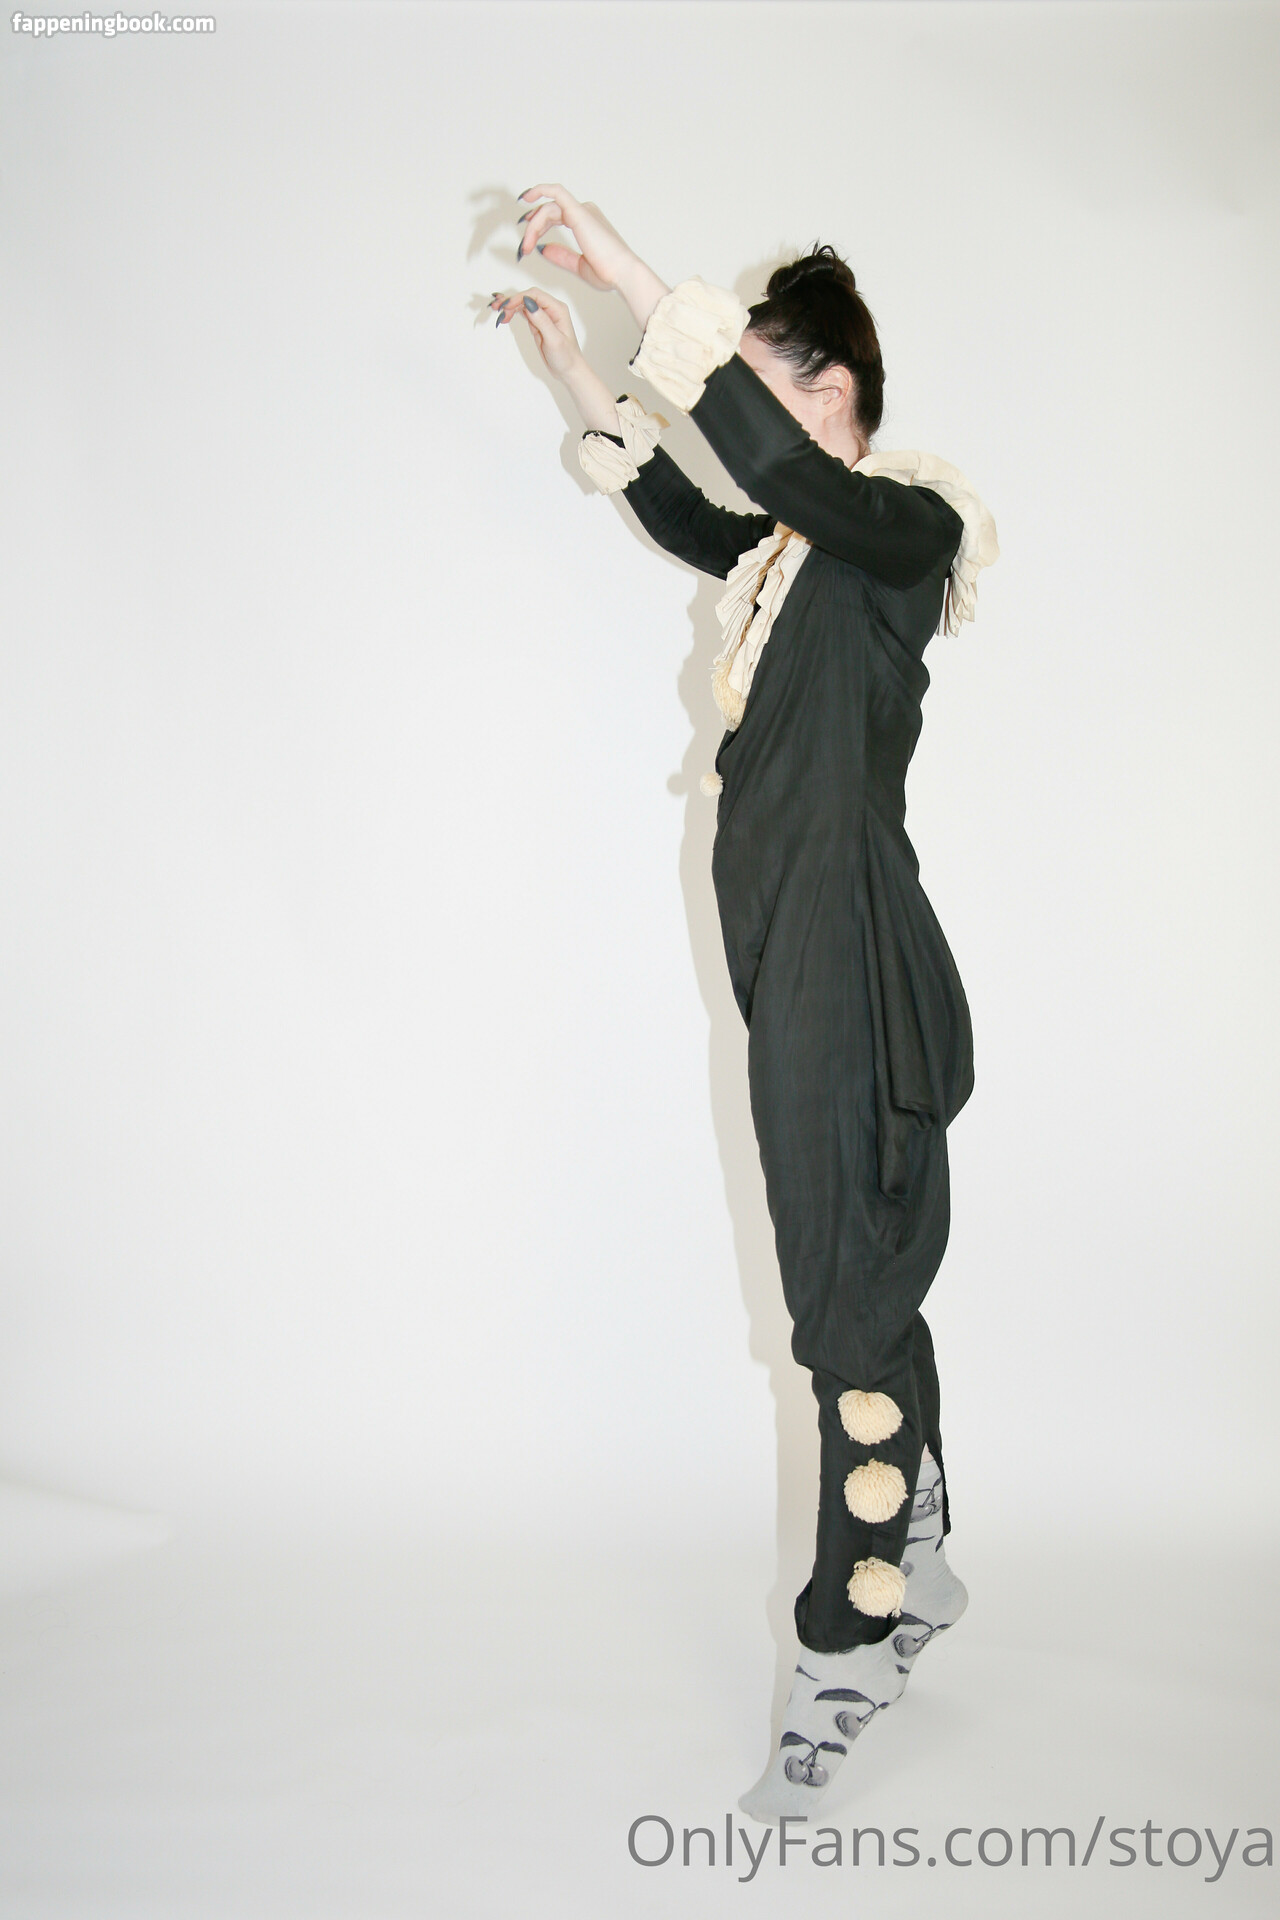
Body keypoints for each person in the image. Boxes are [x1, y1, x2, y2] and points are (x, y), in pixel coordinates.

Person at [489, 184, 999, 1823]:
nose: (750, 426)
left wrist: (635, 274)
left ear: (831, 396)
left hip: (847, 936)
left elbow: (774, 477)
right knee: (853, 1256)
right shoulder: (797, 554)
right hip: (779, 928)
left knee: (839, 1292)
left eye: (768, 387)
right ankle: (921, 1542)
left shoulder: (901, 530)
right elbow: (690, 508)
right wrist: (575, 368)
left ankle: (852, 1640)